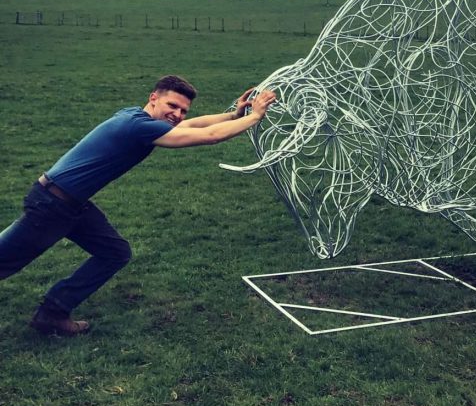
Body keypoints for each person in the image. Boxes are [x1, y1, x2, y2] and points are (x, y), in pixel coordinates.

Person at [0, 75, 276, 336]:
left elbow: (191, 126)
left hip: (71, 203)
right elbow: (210, 135)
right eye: (172, 106)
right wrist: (254, 116)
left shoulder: (134, 115)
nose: (178, 115)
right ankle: (52, 313)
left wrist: (233, 115)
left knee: (115, 252)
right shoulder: (137, 126)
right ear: (153, 97)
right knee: (6, 259)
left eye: (183, 110)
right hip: (51, 205)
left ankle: (53, 312)